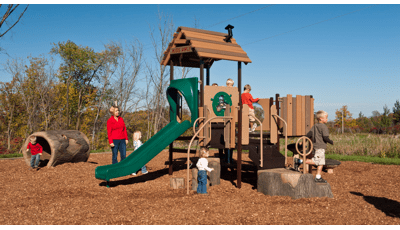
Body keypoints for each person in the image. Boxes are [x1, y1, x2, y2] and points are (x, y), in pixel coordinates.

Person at [304, 110, 334, 183]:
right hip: (320, 147)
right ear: (321, 118)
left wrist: (303, 140)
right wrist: (331, 142)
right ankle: (300, 161)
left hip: (315, 147)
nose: (327, 119)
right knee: (319, 162)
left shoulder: (314, 126)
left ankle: (318, 177)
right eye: (326, 117)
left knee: (320, 163)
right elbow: (325, 137)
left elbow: (309, 134)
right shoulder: (324, 127)